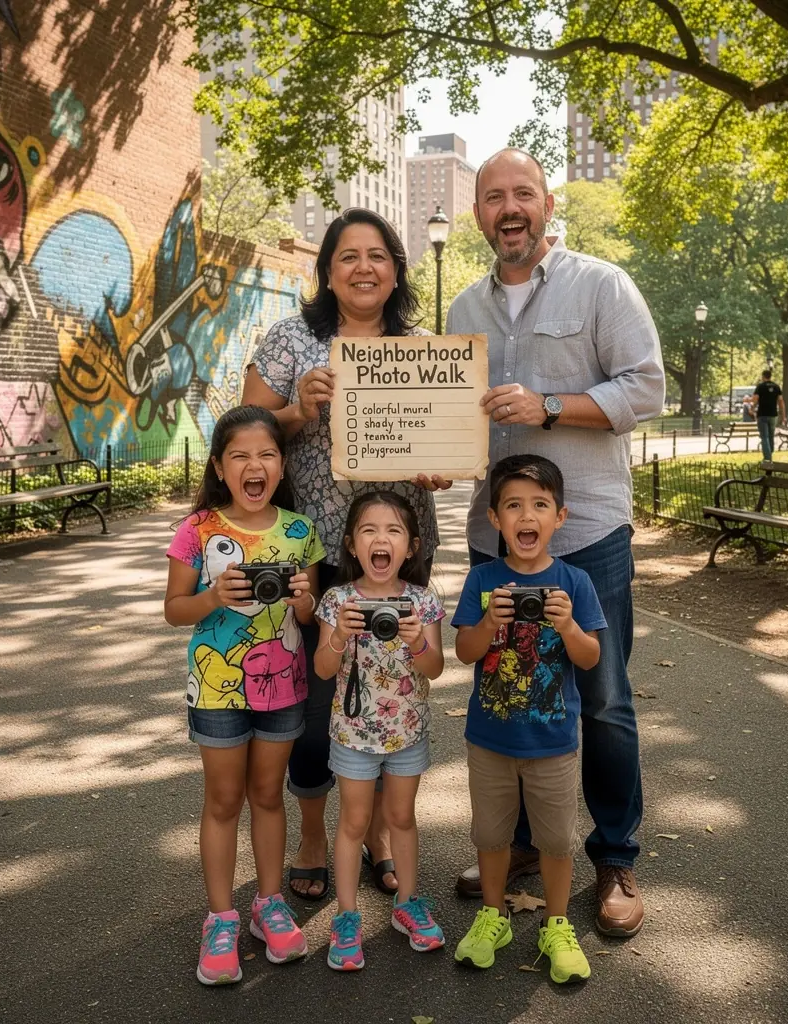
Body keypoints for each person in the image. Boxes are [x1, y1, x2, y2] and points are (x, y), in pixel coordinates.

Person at [440, 148, 665, 938]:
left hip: (589, 531)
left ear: (546, 203)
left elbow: (646, 387)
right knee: (508, 688)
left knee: (601, 701)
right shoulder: (463, 309)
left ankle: (614, 857)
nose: (510, 208)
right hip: (493, 540)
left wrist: (547, 405)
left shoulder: (602, 285)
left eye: (523, 194)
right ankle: (528, 845)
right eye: (494, 196)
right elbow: (456, 419)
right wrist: (437, 460)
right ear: (477, 213)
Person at [242, 208, 439, 901]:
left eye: (378, 255)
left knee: (392, 687)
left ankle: (380, 833)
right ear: (327, 270)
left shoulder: (420, 349)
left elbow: (438, 441)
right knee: (318, 695)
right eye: (348, 255)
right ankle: (315, 832)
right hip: (313, 552)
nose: (364, 267)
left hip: (397, 552)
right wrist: (298, 409)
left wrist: (436, 466)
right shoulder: (293, 340)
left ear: (396, 270)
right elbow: (246, 436)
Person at [163, 406, 324, 985]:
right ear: (219, 466)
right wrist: (212, 596)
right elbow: (173, 610)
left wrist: (305, 597)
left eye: (266, 455)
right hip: (216, 688)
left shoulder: (301, 531)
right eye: (240, 456)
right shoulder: (198, 529)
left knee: (267, 795)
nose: (254, 465)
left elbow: (309, 615)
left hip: (283, 685)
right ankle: (221, 916)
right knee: (224, 800)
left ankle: (269, 903)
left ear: (281, 465)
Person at [452, 455, 606, 984]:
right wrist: (488, 622)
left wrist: (566, 627)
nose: (527, 515)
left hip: (553, 742)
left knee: (557, 841)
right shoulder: (482, 579)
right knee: (491, 835)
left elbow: (590, 658)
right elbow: (465, 653)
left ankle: (556, 925)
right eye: (513, 505)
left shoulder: (575, 582)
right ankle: (492, 915)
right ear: (495, 518)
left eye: (539, 505)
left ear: (559, 517)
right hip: (490, 739)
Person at [315, 492, 446, 970]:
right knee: (352, 823)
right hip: (352, 734)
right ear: (352, 545)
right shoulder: (338, 600)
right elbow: (323, 667)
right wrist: (338, 636)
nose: (380, 539)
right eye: (369, 530)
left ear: (411, 547)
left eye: (393, 531)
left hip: (407, 731)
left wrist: (416, 641)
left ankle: (407, 904)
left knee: (402, 818)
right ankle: (346, 916)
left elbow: (434, 668)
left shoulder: (422, 601)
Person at [751, 369, 785, 460]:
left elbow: (755, 399)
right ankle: (770, 452)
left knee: (764, 436)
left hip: (762, 414)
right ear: (770, 376)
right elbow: (781, 401)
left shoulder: (760, 387)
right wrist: (783, 415)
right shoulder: (776, 387)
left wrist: (752, 409)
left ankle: (768, 458)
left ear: (763, 376)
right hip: (773, 414)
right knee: (771, 436)